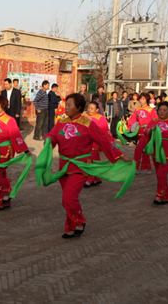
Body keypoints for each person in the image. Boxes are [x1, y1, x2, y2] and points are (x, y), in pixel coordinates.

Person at [45, 93, 128, 238]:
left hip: (80, 166)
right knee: (69, 199)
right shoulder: (61, 122)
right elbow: (52, 135)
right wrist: (49, 140)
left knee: (68, 198)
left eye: (69, 105)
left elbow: (104, 140)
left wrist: (120, 155)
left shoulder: (88, 124)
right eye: (65, 105)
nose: (66, 108)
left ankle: (80, 221)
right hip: (64, 166)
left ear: (78, 107)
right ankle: (71, 226)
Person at [0, 95, 30, 210]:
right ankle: (3, 202)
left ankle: (7, 191)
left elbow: (16, 135)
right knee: (0, 175)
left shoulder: (9, 120)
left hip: (5, 151)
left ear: (3, 106)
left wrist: (25, 150)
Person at [127, 92, 157, 174]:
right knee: (144, 150)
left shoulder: (151, 110)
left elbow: (155, 120)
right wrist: (127, 123)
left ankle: (135, 168)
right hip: (140, 131)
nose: (141, 100)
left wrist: (152, 129)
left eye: (143, 99)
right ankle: (146, 167)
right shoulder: (137, 109)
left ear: (146, 100)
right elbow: (133, 119)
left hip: (147, 132)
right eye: (140, 98)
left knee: (138, 149)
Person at [83, 100, 111, 187]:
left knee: (90, 160)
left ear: (97, 110)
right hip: (85, 142)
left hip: (94, 143)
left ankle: (90, 179)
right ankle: (97, 178)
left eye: (92, 108)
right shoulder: (84, 116)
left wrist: (106, 143)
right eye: (89, 108)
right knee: (95, 160)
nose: (89, 110)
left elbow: (105, 131)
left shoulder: (101, 118)